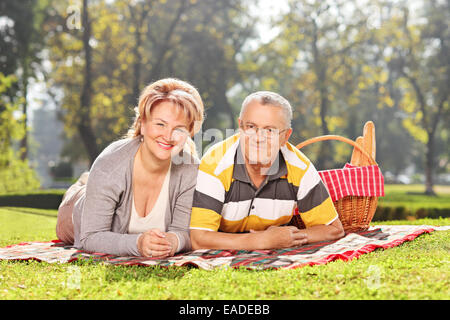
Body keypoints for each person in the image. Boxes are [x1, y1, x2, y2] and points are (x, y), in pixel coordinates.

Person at [56, 78, 204, 258]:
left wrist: (173, 241)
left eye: (179, 129)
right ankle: (82, 185)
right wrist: (138, 244)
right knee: (67, 221)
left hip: (104, 181)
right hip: (75, 211)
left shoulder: (191, 171)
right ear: (142, 123)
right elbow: (90, 237)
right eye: (160, 124)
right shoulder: (110, 164)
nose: (168, 136)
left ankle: (88, 180)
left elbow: (185, 232)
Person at [189, 91, 345, 250]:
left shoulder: (299, 167)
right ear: (240, 126)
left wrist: (288, 237)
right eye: (251, 127)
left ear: (286, 137)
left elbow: (333, 229)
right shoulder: (215, 163)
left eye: (270, 130)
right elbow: (199, 239)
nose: (258, 138)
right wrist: (261, 241)